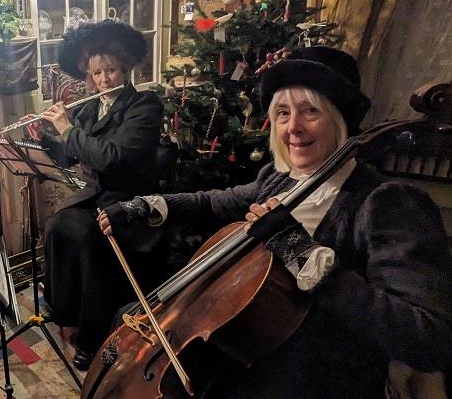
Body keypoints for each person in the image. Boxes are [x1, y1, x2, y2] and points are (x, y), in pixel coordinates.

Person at [98, 46, 452, 397]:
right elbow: (212, 202)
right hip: (258, 349)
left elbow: (429, 336)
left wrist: (301, 253)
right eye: (282, 113)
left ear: (339, 118)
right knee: (127, 315)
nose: (293, 128)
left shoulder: (387, 202)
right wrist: (143, 206)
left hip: (317, 373)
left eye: (310, 111)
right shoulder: (280, 179)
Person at [24, 20, 163, 370]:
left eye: (111, 71)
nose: (103, 81)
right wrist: (43, 136)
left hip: (131, 201)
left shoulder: (144, 106)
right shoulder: (91, 107)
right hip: (97, 197)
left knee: (87, 237)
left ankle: (93, 336)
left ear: (126, 67)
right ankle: (65, 313)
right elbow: (70, 155)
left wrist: (67, 128)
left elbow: (111, 157)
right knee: (58, 225)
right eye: (97, 73)